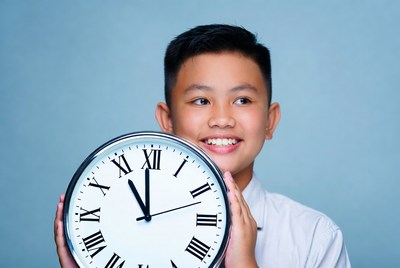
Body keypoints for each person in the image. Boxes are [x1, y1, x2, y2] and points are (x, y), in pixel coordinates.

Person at [54, 24, 351, 267]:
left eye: (242, 100)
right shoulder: (114, 234)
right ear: (167, 120)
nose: (222, 119)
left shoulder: (314, 237)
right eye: (201, 101)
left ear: (270, 121)